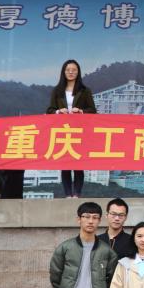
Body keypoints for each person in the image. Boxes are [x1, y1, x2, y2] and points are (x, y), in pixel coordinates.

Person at [47, 60, 96, 198]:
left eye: (74, 70)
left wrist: (81, 111)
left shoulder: (85, 91)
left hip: (79, 132)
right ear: (63, 72)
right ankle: (68, 194)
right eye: (68, 70)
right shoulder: (57, 91)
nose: (71, 72)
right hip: (63, 131)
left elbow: (93, 110)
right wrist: (58, 111)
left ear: (78, 72)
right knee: (65, 163)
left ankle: (77, 194)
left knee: (78, 163)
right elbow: (50, 110)